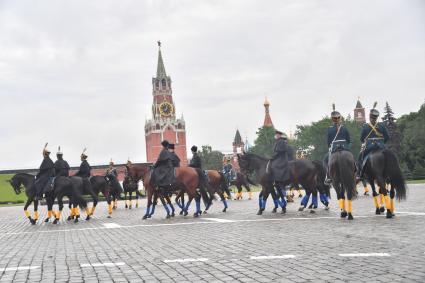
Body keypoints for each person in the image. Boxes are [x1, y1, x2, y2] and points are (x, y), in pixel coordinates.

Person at [358, 102, 389, 178]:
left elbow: (361, 138)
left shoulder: (365, 126)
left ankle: (360, 174)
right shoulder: (382, 125)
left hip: (369, 146)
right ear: (376, 117)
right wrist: (382, 143)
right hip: (381, 146)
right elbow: (387, 137)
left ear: (369, 116)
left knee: (360, 157)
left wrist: (364, 142)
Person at [324, 104, 351, 184]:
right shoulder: (344, 128)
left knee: (325, 160)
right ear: (339, 118)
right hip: (345, 147)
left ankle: (328, 176)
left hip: (334, 148)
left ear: (332, 119)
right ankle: (356, 172)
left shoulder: (329, 129)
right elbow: (348, 140)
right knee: (352, 158)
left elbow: (328, 142)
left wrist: (329, 147)